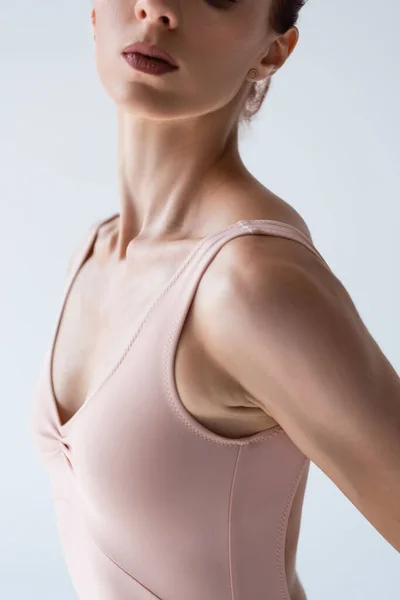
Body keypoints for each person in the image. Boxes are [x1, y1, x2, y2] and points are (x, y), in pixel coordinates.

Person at [30, 0, 400, 599]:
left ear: (271, 51)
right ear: (95, 10)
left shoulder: (249, 284)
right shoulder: (97, 250)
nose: (157, 9)